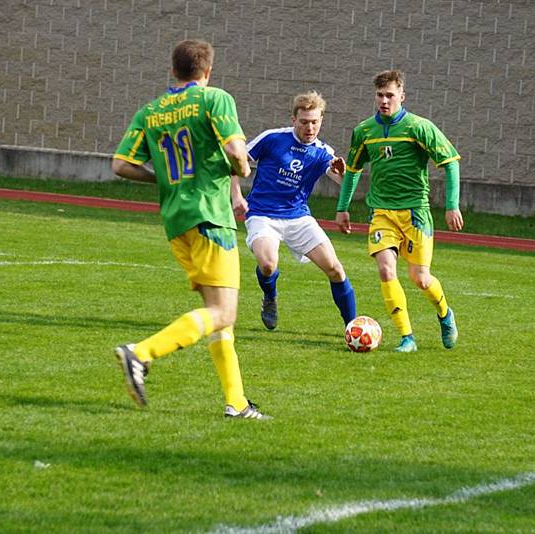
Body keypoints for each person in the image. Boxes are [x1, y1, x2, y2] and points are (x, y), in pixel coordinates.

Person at [111, 39, 269, 419]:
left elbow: (120, 165)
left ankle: (237, 402)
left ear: (173, 70)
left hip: (176, 221)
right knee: (224, 313)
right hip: (211, 217)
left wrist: (162, 180)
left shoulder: (151, 111)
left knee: (217, 314)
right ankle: (141, 354)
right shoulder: (214, 99)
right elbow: (236, 152)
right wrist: (244, 170)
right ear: (207, 71)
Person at [335, 69, 463, 353]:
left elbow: (450, 162)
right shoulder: (364, 131)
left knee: (420, 278)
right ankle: (407, 337)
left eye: (390, 95)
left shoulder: (419, 127)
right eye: (380, 95)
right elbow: (354, 170)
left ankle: (444, 313)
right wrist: (342, 207)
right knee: (385, 269)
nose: (384, 100)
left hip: (415, 212)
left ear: (401, 96)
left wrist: (452, 205)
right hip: (381, 212)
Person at [231, 91, 356, 331]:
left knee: (335, 268)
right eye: (304, 122)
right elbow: (235, 162)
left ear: (321, 121)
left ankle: (353, 327)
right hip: (262, 214)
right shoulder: (273, 138)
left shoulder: (323, 152)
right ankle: (270, 297)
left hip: (298, 217)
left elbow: (345, 183)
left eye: (315, 122)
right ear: (293, 119)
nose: (310, 128)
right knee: (268, 264)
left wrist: (344, 173)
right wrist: (237, 196)